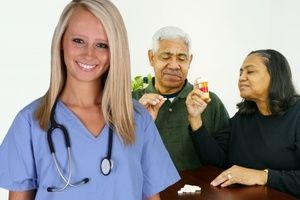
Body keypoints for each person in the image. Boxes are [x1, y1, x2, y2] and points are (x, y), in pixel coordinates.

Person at [0, 1, 180, 199]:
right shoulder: (30, 122)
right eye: (78, 41)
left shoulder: (138, 118)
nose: (89, 54)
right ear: (61, 41)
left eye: (102, 45)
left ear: (115, 52)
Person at [191, 49, 300, 198]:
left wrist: (262, 176)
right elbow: (215, 161)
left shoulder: (297, 114)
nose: (242, 77)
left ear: (275, 76)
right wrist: (195, 119)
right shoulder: (242, 117)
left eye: (250, 72)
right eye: (240, 73)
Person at [132, 26, 229, 171]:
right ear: (151, 57)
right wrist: (138, 122)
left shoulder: (210, 102)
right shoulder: (131, 101)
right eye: (165, 57)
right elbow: (114, 159)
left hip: (199, 191)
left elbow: (222, 162)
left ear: (190, 61)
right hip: (146, 192)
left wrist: (196, 121)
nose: (174, 65)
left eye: (181, 58)